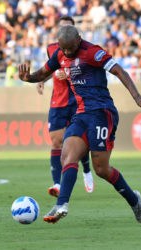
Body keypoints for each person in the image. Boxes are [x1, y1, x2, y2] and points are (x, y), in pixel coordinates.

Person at [18, 25, 141, 223]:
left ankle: (134, 200)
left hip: (102, 113)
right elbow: (43, 72)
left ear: (79, 39)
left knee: (101, 169)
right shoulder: (60, 54)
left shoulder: (92, 52)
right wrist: (28, 78)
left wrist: (137, 96)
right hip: (81, 113)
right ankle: (61, 205)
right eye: (64, 49)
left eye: (71, 48)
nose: (68, 53)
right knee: (67, 155)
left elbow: (119, 70)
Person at [36, 16, 94, 196]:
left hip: (77, 100)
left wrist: (69, 74)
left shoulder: (83, 49)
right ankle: (57, 184)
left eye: (68, 28)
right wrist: (42, 80)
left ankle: (86, 170)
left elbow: (87, 71)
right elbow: (51, 67)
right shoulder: (52, 48)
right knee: (56, 141)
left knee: (79, 140)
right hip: (59, 100)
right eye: (62, 28)